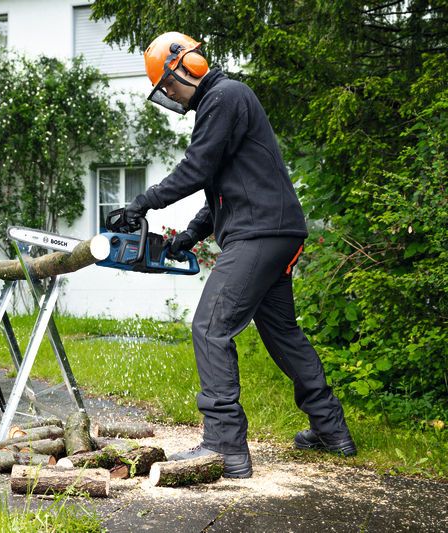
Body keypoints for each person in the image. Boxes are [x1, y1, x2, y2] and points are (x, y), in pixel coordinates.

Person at [121, 32, 356, 479]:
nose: (170, 94)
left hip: (260, 233)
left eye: (170, 85)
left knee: (210, 327)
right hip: (276, 230)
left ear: (188, 65)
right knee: (283, 333)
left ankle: (224, 447)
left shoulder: (224, 96)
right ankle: (331, 430)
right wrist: (190, 235)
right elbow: (225, 187)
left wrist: (143, 202)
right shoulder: (227, 101)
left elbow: (197, 168)